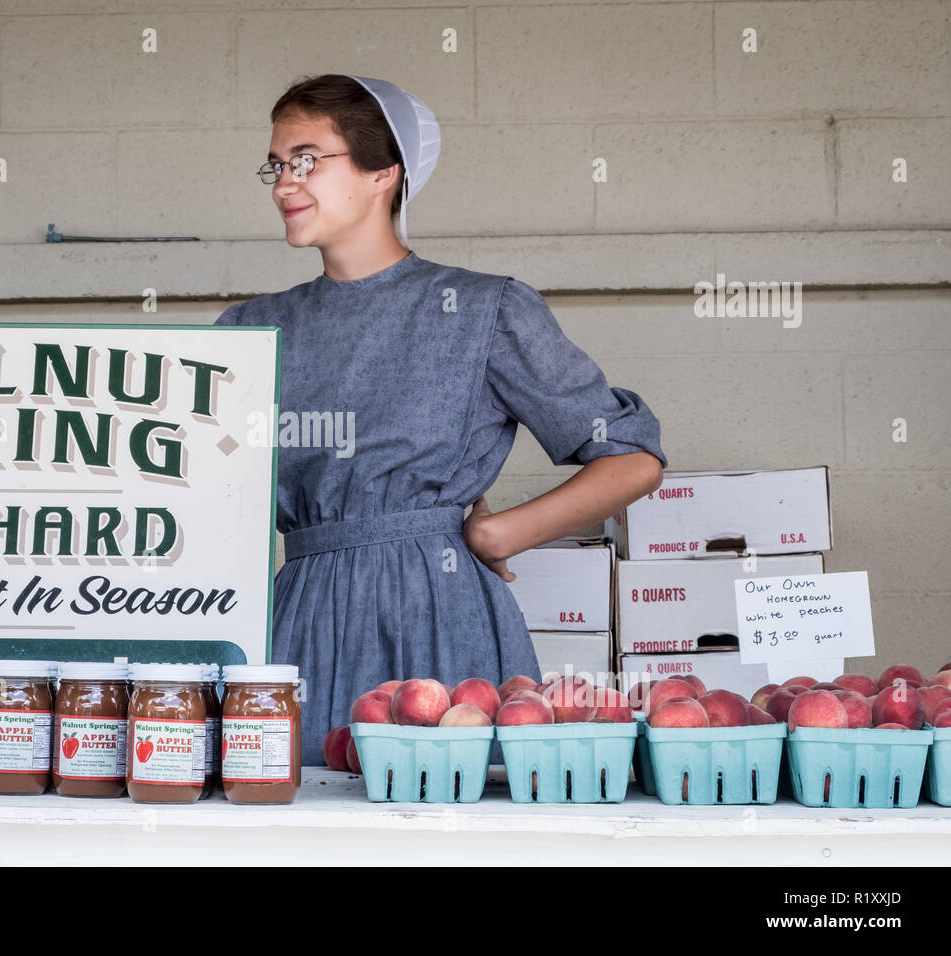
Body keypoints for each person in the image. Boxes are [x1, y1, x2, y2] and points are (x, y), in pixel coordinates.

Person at [214, 74, 667, 766]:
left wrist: (502, 531)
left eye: (306, 160)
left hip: (440, 611)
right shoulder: (249, 328)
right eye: (276, 165)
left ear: (383, 174)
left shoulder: (486, 310)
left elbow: (632, 455)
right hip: (296, 615)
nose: (283, 184)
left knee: (447, 816)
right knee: (292, 818)